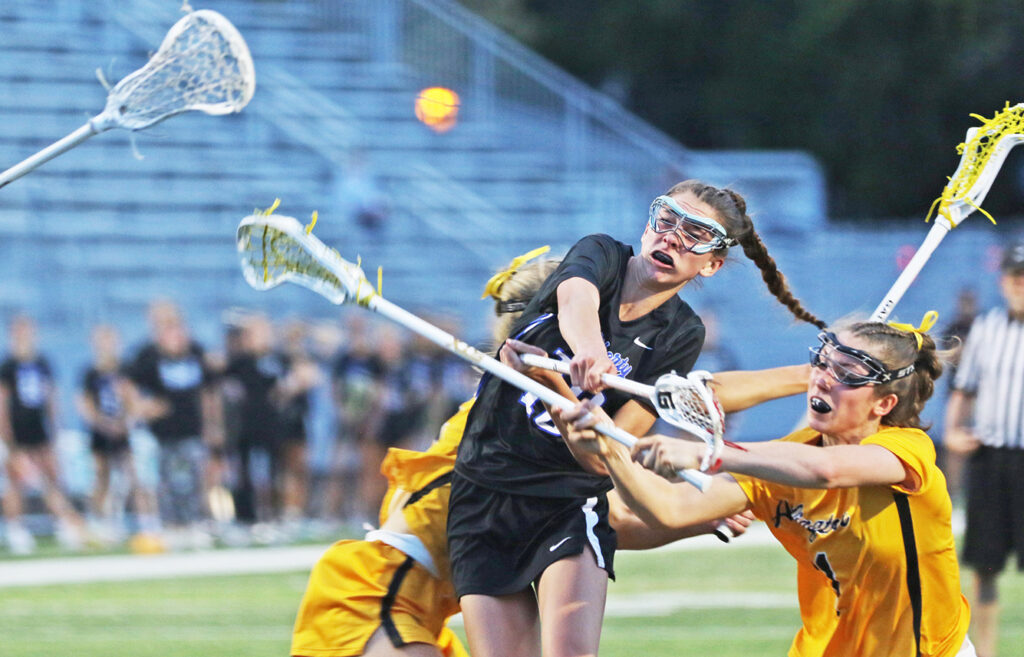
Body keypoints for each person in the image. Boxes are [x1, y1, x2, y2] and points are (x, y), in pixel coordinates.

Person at [291, 249, 776, 657]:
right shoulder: (506, 423)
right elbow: (617, 518)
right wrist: (697, 515)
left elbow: (584, 522)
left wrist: (694, 514)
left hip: (417, 607)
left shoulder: (527, 415)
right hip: (375, 594)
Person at [447, 180, 825, 657]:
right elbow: (576, 301)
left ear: (712, 263)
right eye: (666, 220)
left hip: (567, 503)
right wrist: (590, 353)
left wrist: (557, 391)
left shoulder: (681, 333)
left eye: (695, 234)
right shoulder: (601, 255)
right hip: (484, 495)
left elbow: (604, 461)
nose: (672, 238)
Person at [554, 316, 974, 657]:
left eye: (846, 373)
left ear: (884, 404)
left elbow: (826, 470)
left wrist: (710, 454)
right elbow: (670, 509)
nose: (823, 379)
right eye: (823, 363)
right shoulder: (782, 461)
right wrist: (608, 451)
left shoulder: (905, 450)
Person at [944, 240, 1024, 657]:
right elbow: (963, 389)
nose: (1020, 285)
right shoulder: (987, 329)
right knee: (985, 563)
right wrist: (954, 432)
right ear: (1003, 280)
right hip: (992, 457)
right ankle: (986, 652)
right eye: (1015, 277)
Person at [127, 300, 222, 546]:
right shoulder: (147, 355)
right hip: (161, 432)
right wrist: (142, 407)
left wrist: (213, 423)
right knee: (166, 480)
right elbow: (127, 384)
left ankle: (195, 522)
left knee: (194, 477)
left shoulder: (194, 351)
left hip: (191, 427)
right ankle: (171, 525)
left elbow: (208, 392)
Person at [0, 314, 87, 553]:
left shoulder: (42, 362)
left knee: (52, 480)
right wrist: (6, 436)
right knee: (16, 482)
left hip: (40, 430)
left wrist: (55, 428)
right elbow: (3, 402)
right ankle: (16, 529)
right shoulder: (8, 366)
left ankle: (64, 524)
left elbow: (50, 398)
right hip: (17, 432)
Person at [77, 324, 155, 544]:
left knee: (135, 476)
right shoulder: (91, 372)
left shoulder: (126, 370)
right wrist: (101, 423)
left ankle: (147, 523)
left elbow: (134, 398)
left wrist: (126, 422)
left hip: (124, 430)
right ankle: (96, 522)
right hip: (101, 431)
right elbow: (85, 403)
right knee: (102, 477)